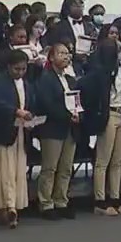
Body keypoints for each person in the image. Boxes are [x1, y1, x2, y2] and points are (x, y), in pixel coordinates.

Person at [0, 49, 34, 228]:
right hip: (1, 133)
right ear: (9, 67)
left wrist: (30, 118)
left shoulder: (26, 84)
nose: (20, 73)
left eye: (24, 69)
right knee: (4, 172)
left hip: (20, 132)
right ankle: (6, 207)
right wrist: (16, 112)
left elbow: (30, 103)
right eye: (17, 69)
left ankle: (14, 205)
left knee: (17, 170)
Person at [80, 38, 121, 215]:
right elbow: (87, 89)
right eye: (118, 49)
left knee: (117, 160)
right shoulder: (100, 72)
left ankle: (115, 197)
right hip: (108, 114)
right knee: (103, 159)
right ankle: (100, 200)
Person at [35, 43, 81, 219]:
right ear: (51, 57)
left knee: (66, 167)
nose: (66, 56)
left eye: (67, 53)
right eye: (61, 53)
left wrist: (78, 114)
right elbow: (47, 104)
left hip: (70, 128)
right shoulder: (46, 78)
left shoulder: (70, 79)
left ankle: (61, 200)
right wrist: (67, 115)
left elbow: (77, 102)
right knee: (50, 167)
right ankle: (46, 203)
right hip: (52, 128)